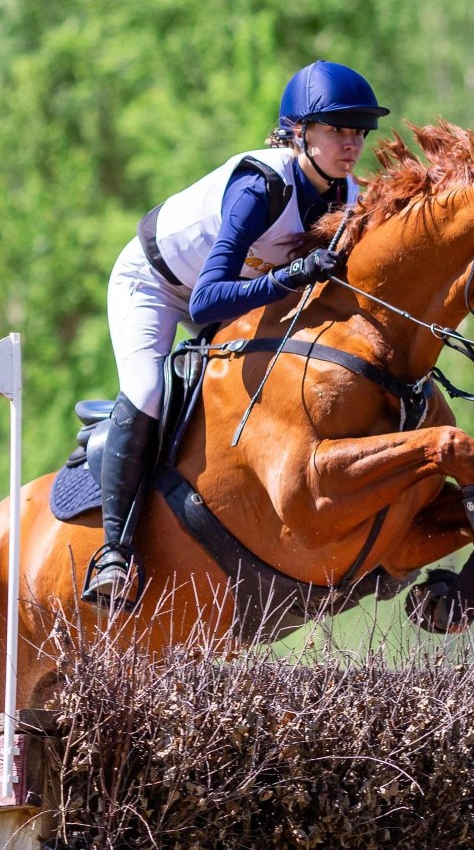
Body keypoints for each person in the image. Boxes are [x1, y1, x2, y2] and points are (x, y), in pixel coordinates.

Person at [83, 60, 390, 608]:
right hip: (154, 284)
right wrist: (292, 276)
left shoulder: (346, 196)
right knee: (150, 389)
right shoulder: (261, 186)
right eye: (338, 130)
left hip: (239, 289)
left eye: (359, 132)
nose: (351, 145)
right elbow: (205, 300)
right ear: (301, 133)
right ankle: (114, 551)